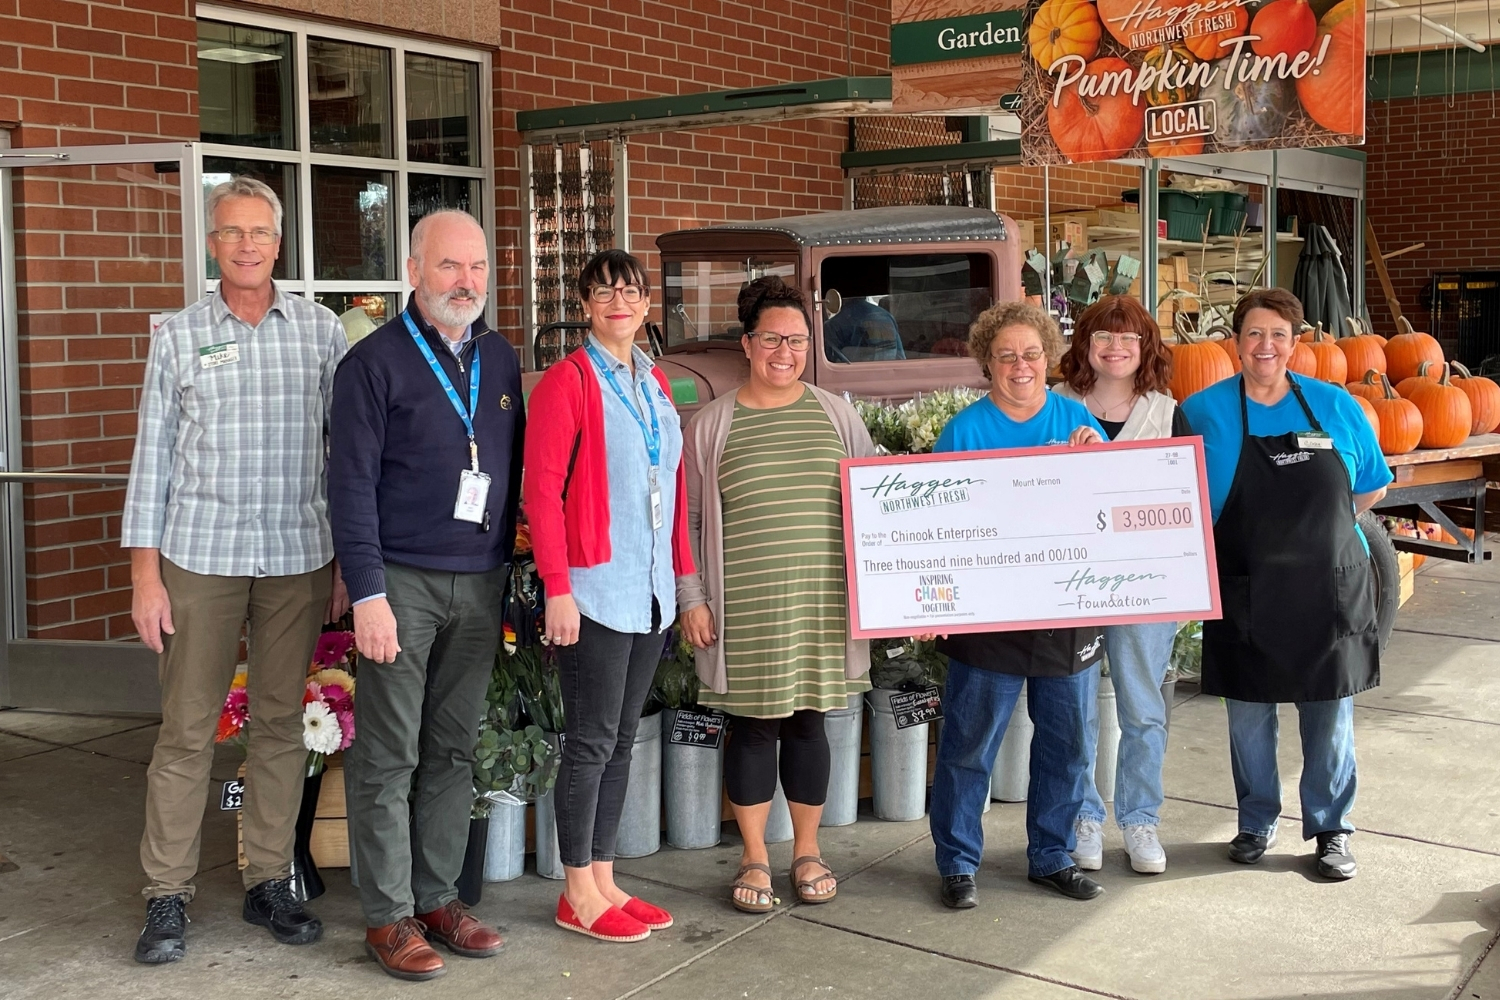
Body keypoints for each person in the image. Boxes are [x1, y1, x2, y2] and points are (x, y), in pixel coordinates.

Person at [122, 176, 349, 964]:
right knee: (186, 731)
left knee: (282, 725)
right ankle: (166, 896)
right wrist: (144, 576)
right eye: (231, 232)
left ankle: (267, 880)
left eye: (259, 231)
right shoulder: (179, 335)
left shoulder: (322, 333)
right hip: (200, 558)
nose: (247, 244)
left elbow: (341, 459)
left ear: (279, 242)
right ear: (211, 243)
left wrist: (348, 563)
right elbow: (152, 460)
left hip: (296, 556)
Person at [330, 210, 523, 980]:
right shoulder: (372, 364)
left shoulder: (501, 358)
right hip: (401, 583)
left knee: (450, 747)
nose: (465, 282)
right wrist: (368, 593)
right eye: (449, 266)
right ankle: (387, 917)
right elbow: (348, 485)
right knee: (388, 754)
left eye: (476, 268)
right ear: (413, 270)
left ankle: (439, 897)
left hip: (479, 581)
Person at [678, 277, 876, 913]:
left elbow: (875, 500)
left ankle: (808, 852)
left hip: (822, 605)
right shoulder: (711, 424)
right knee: (755, 730)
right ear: (748, 344)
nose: (784, 351)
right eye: (772, 339)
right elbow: (690, 523)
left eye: (796, 339)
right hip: (747, 610)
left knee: (812, 725)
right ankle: (755, 857)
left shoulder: (836, 413)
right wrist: (692, 598)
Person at [1179, 288, 1389, 881]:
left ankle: (1331, 829)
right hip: (1245, 584)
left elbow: (1370, 485)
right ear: (1236, 343)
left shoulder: (1336, 405)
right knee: (1248, 713)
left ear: (1294, 343)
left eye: (1277, 334)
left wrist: (1331, 532)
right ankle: (1256, 821)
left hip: (1327, 590)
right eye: (1253, 334)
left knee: (1328, 714)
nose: (1264, 346)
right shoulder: (1202, 410)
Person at [523, 249, 693, 943]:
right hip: (594, 588)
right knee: (590, 741)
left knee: (622, 738)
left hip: (649, 588)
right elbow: (541, 491)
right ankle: (574, 892)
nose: (617, 301)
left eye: (629, 291)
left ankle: (604, 877)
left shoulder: (654, 382)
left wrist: (684, 584)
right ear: (585, 306)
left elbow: (675, 491)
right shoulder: (569, 382)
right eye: (602, 291)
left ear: (647, 305)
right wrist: (557, 589)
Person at [929, 301, 1108, 910]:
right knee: (969, 744)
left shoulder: (1079, 421)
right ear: (987, 364)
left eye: (1031, 353)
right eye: (1005, 355)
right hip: (988, 615)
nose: (1020, 365)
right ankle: (957, 863)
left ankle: (1051, 856)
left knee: (1067, 742)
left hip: (1065, 614)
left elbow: (1108, 515)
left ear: (1050, 359)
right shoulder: (964, 432)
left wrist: (1096, 463)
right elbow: (933, 526)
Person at [1053, 296, 1192, 875]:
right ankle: (1083, 815)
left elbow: (1183, 500)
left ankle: (1140, 819)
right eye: (1104, 337)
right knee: (1074, 707)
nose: (1116, 348)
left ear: (1146, 349)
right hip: (1072, 578)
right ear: (1085, 344)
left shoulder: (1167, 411)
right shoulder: (1056, 406)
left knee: (1142, 707)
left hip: (1144, 582)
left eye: (1129, 339)